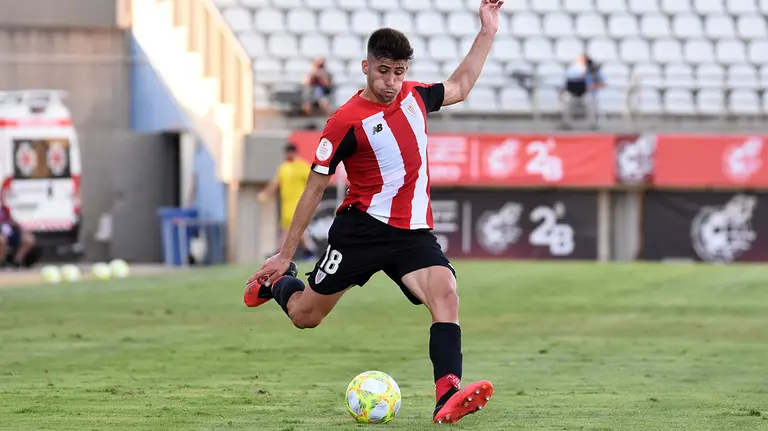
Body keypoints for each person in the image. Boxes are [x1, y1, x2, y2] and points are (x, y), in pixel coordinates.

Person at [245, 0, 503, 424]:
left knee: (446, 294)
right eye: (383, 71)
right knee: (306, 316)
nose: (391, 81)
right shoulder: (344, 122)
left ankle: (447, 394)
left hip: (412, 234)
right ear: (366, 67)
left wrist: (488, 30)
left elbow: (459, 86)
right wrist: (285, 254)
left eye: (399, 71)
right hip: (360, 232)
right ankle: (276, 284)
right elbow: (314, 188)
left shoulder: (415, 96)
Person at [258, 143, 314, 260]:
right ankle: (300, 251)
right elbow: (275, 183)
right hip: (287, 203)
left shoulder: (302, 166)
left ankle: (304, 251)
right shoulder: (283, 167)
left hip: (299, 202)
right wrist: (266, 194)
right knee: (287, 228)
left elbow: (312, 183)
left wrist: (312, 200)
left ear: (293, 152)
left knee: (295, 227)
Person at [562, 54, 605, 129]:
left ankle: (592, 124)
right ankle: (567, 124)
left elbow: (602, 84)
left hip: (588, 93)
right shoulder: (573, 70)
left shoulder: (594, 71)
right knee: (566, 100)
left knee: (590, 100)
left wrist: (592, 86)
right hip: (573, 93)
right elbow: (568, 83)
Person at [0, 204, 36, 269]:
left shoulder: (5, 209)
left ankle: (17, 261)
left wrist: (21, 230)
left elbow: (13, 221)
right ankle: (1, 261)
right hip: (2, 234)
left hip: (11, 233)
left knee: (29, 239)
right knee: (2, 239)